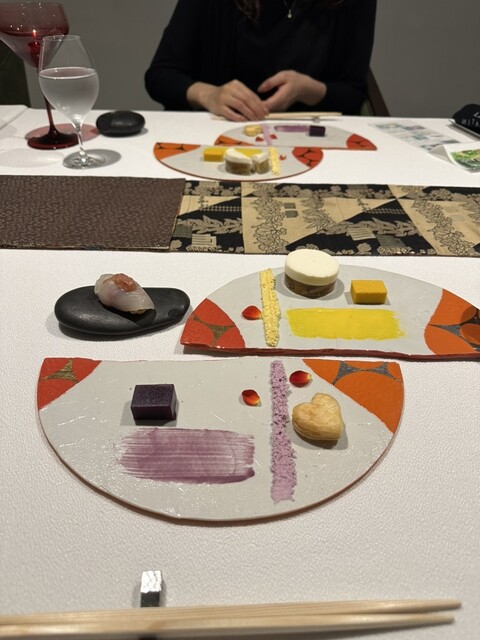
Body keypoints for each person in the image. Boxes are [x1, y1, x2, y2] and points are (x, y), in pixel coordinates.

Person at [145, 0, 377, 122]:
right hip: (219, 136)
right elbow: (160, 75)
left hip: (310, 141)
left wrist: (308, 90)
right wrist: (209, 95)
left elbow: (354, 93)